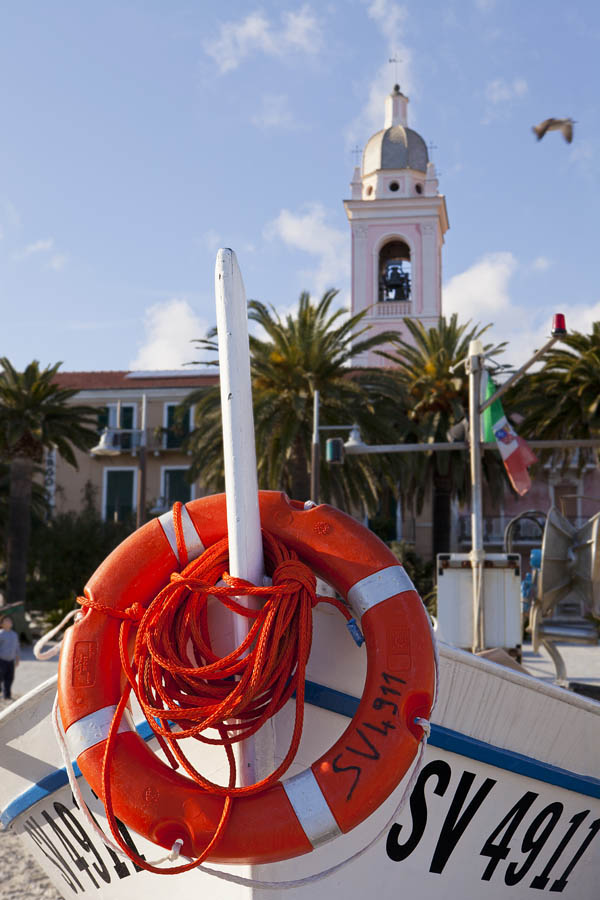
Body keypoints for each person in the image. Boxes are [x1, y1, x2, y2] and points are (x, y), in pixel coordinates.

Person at [0, 615, 20, 701]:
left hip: (11, 660)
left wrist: (17, 659)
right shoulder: (1, 634)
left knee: (10, 678)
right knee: (0, 677)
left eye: (10, 620)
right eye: (6, 620)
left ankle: (7, 695)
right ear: (2, 623)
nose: (9, 622)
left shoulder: (14, 634)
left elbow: (17, 647)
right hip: (1, 660)